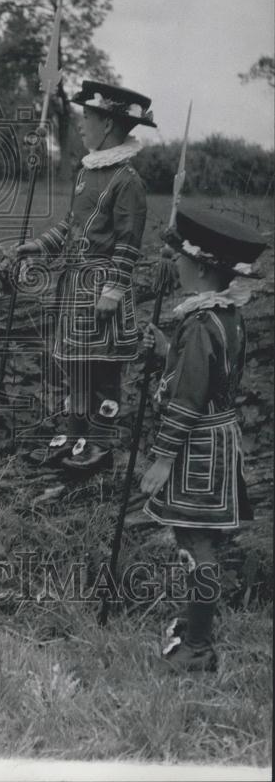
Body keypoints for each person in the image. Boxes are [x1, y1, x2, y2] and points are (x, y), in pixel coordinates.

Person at [140, 205, 267, 673]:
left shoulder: (198, 324)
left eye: (181, 257)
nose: (175, 263)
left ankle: (198, 646)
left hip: (195, 448)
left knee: (196, 544)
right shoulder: (226, 316)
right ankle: (195, 628)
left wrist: (160, 460)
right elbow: (209, 375)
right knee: (200, 542)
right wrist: (167, 350)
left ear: (204, 266)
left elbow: (188, 400)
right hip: (218, 441)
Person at [16, 80, 155, 474]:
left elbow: (129, 242)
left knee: (103, 370)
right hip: (74, 287)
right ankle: (75, 438)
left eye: (87, 117)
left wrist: (113, 289)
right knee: (75, 367)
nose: (79, 125)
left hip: (102, 290)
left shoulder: (127, 181)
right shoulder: (86, 171)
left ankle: (101, 445)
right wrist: (40, 245)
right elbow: (72, 224)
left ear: (108, 125)